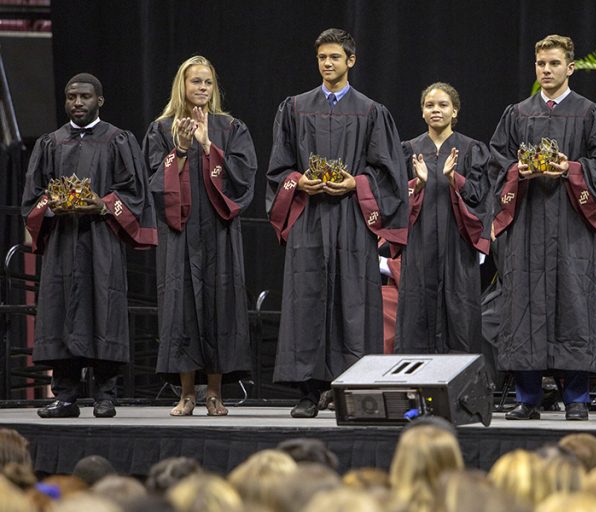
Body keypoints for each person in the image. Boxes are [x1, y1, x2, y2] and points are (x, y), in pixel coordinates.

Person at [266, 28, 409, 418]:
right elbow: (278, 169)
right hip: (309, 219)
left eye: (334, 57)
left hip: (351, 220)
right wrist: (299, 182)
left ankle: (350, 390)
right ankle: (309, 394)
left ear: (351, 61)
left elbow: (388, 172)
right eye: (322, 58)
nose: (327, 64)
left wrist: (356, 183)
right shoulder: (295, 108)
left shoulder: (371, 111)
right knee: (307, 301)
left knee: (353, 303)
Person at [490, 35, 596, 421]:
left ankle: (577, 399)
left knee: (574, 306)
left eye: (554, 64)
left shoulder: (590, 113)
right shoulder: (517, 113)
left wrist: (571, 169)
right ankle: (527, 398)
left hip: (571, 228)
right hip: (527, 224)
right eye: (541, 64)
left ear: (570, 67)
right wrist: (518, 171)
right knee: (524, 307)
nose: (546, 70)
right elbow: (497, 162)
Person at [22, 73, 157, 419]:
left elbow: (134, 193)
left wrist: (101, 204)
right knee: (60, 312)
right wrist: (53, 204)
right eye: (71, 97)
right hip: (62, 243)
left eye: (84, 97)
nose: (77, 103)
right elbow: (32, 198)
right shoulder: (51, 143)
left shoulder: (117, 140)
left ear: (99, 100)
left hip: (101, 242)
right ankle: (65, 397)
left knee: (103, 311)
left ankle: (105, 395)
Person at [143, 56, 258, 417]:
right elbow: (154, 183)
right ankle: (187, 394)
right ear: (183, 85)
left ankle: (215, 393)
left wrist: (209, 147)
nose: (203, 88)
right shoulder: (161, 129)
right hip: (180, 232)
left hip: (219, 230)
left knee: (219, 307)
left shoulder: (231, 127)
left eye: (208, 82)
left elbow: (242, 178)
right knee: (181, 310)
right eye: (196, 82)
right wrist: (179, 150)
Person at [396, 82, 490, 354]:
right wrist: (419, 184)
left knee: (460, 310)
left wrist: (454, 179)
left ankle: (460, 389)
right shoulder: (408, 150)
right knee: (417, 310)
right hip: (419, 243)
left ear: (455, 111)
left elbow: (481, 196)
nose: (436, 110)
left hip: (458, 244)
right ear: (422, 112)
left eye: (443, 105)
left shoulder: (471, 150)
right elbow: (395, 198)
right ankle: (414, 384)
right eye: (429, 105)